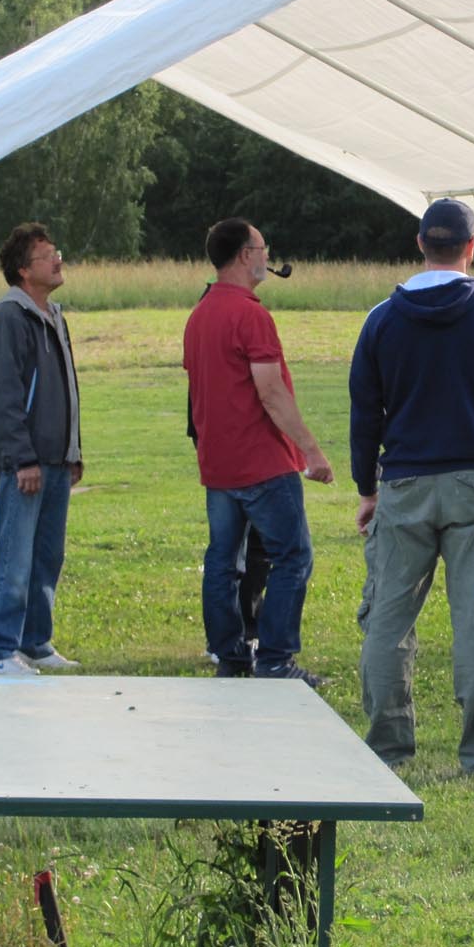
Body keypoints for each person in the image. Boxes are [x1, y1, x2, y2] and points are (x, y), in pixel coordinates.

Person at [350, 199, 474, 776]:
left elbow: (366, 415)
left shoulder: (382, 320)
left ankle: (387, 751)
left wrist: (368, 488)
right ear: (472, 246)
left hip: (405, 483)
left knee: (388, 621)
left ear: (419, 245)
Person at [183, 218, 333, 685]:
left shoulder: (200, 313)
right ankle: (276, 660)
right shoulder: (251, 315)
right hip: (263, 463)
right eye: (263, 248)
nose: (268, 257)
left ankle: (231, 657)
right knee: (293, 556)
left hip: (218, 464)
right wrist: (311, 451)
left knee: (224, 562)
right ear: (246, 254)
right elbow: (270, 392)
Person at [0, 223, 83, 676]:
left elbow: (65, 389)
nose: (57, 259)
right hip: (27, 462)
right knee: (14, 557)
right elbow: (4, 395)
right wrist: (23, 458)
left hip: (56, 460)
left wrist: (72, 449)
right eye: (46, 255)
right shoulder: (9, 317)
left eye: (56, 251)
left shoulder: (54, 314)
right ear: (23, 270)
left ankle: (35, 641)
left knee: (46, 556)